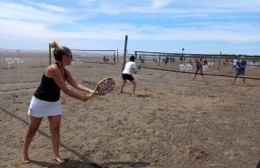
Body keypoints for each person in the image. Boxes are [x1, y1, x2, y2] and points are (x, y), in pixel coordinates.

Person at [22, 41, 94, 164]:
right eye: (71, 56)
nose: (72, 58)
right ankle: (25, 153)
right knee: (32, 129)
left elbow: (76, 84)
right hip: (40, 102)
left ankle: (55, 155)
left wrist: (91, 90)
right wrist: (82, 98)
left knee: (55, 129)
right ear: (64, 56)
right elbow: (65, 89)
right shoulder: (53, 69)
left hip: (53, 103)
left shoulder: (65, 71)